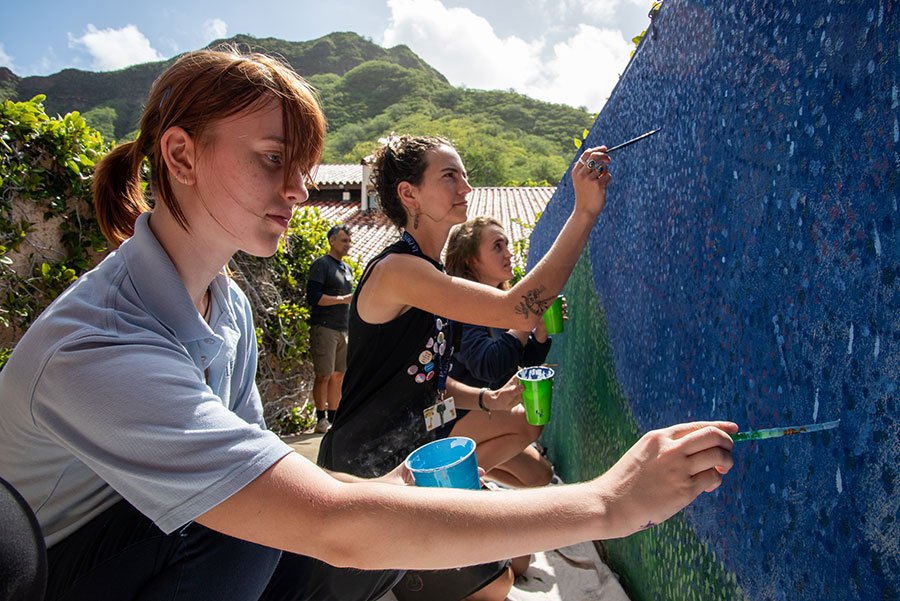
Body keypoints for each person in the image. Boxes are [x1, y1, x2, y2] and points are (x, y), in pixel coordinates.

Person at [0, 49, 737, 601]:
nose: (297, 189)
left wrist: (444, 440)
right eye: (272, 160)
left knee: (378, 522)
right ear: (181, 154)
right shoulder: (98, 344)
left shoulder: (224, 307)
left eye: (305, 166)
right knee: (274, 528)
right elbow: (323, 518)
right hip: (57, 570)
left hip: (215, 525)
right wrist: (608, 502)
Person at [316, 135, 736, 601]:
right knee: (473, 586)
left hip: (415, 459)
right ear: (408, 194)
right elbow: (520, 310)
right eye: (448, 175)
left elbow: (423, 379)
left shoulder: (432, 278)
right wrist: (583, 213)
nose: (466, 186)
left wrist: (482, 398)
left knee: (494, 581)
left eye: (465, 174)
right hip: (364, 468)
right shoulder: (397, 269)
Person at [444, 216, 555, 489]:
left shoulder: (498, 301)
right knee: (530, 419)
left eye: (506, 245)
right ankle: (447, 483)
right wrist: (524, 321)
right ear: (471, 260)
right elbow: (488, 365)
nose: (508, 253)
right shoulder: (463, 304)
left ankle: (472, 476)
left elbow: (517, 358)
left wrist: (538, 331)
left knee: (539, 476)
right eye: (497, 246)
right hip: (445, 415)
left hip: (481, 414)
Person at [306, 224, 354, 433]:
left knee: (338, 375)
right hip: (324, 327)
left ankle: (334, 418)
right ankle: (321, 419)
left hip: (343, 328)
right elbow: (313, 297)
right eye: (344, 240)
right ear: (332, 240)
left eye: (349, 241)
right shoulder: (321, 265)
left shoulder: (347, 268)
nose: (348, 245)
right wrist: (343, 299)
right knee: (323, 374)